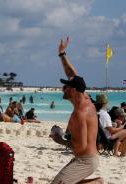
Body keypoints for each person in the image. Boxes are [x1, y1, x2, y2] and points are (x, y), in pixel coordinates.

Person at [52, 37, 102, 184]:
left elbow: (81, 147)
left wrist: (59, 139)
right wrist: (62, 54)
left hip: (85, 161)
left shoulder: (80, 114)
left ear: (73, 91)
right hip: (88, 158)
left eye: (66, 87)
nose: (63, 89)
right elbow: (72, 73)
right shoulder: (85, 98)